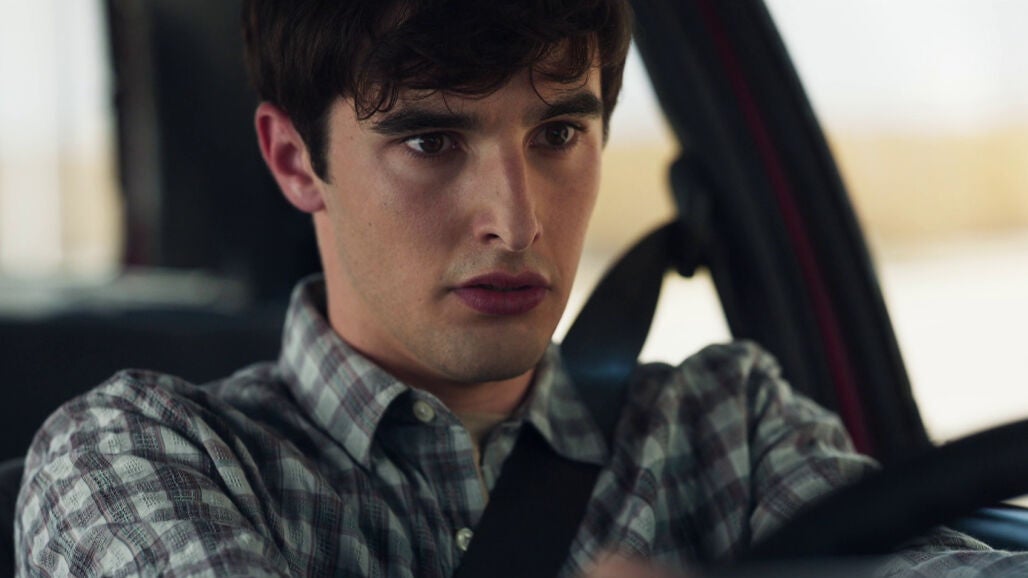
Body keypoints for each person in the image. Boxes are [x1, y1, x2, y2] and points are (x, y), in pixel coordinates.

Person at [13, 1, 1026, 577]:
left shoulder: (728, 428)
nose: (517, 218)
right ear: (294, 159)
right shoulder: (138, 456)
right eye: (431, 140)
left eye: (559, 133)